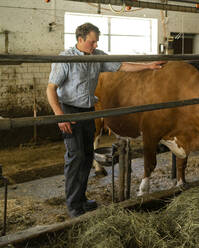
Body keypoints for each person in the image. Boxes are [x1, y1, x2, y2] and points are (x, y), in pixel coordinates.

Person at [46, 22, 164, 218]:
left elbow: (122, 66)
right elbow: (51, 89)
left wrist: (148, 66)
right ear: (80, 39)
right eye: (91, 42)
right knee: (75, 158)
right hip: (70, 111)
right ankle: (74, 205)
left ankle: (82, 199)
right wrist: (60, 115)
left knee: (86, 156)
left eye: (96, 42)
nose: (94, 45)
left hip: (89, 111)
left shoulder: (97, 56)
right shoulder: (65, 58)